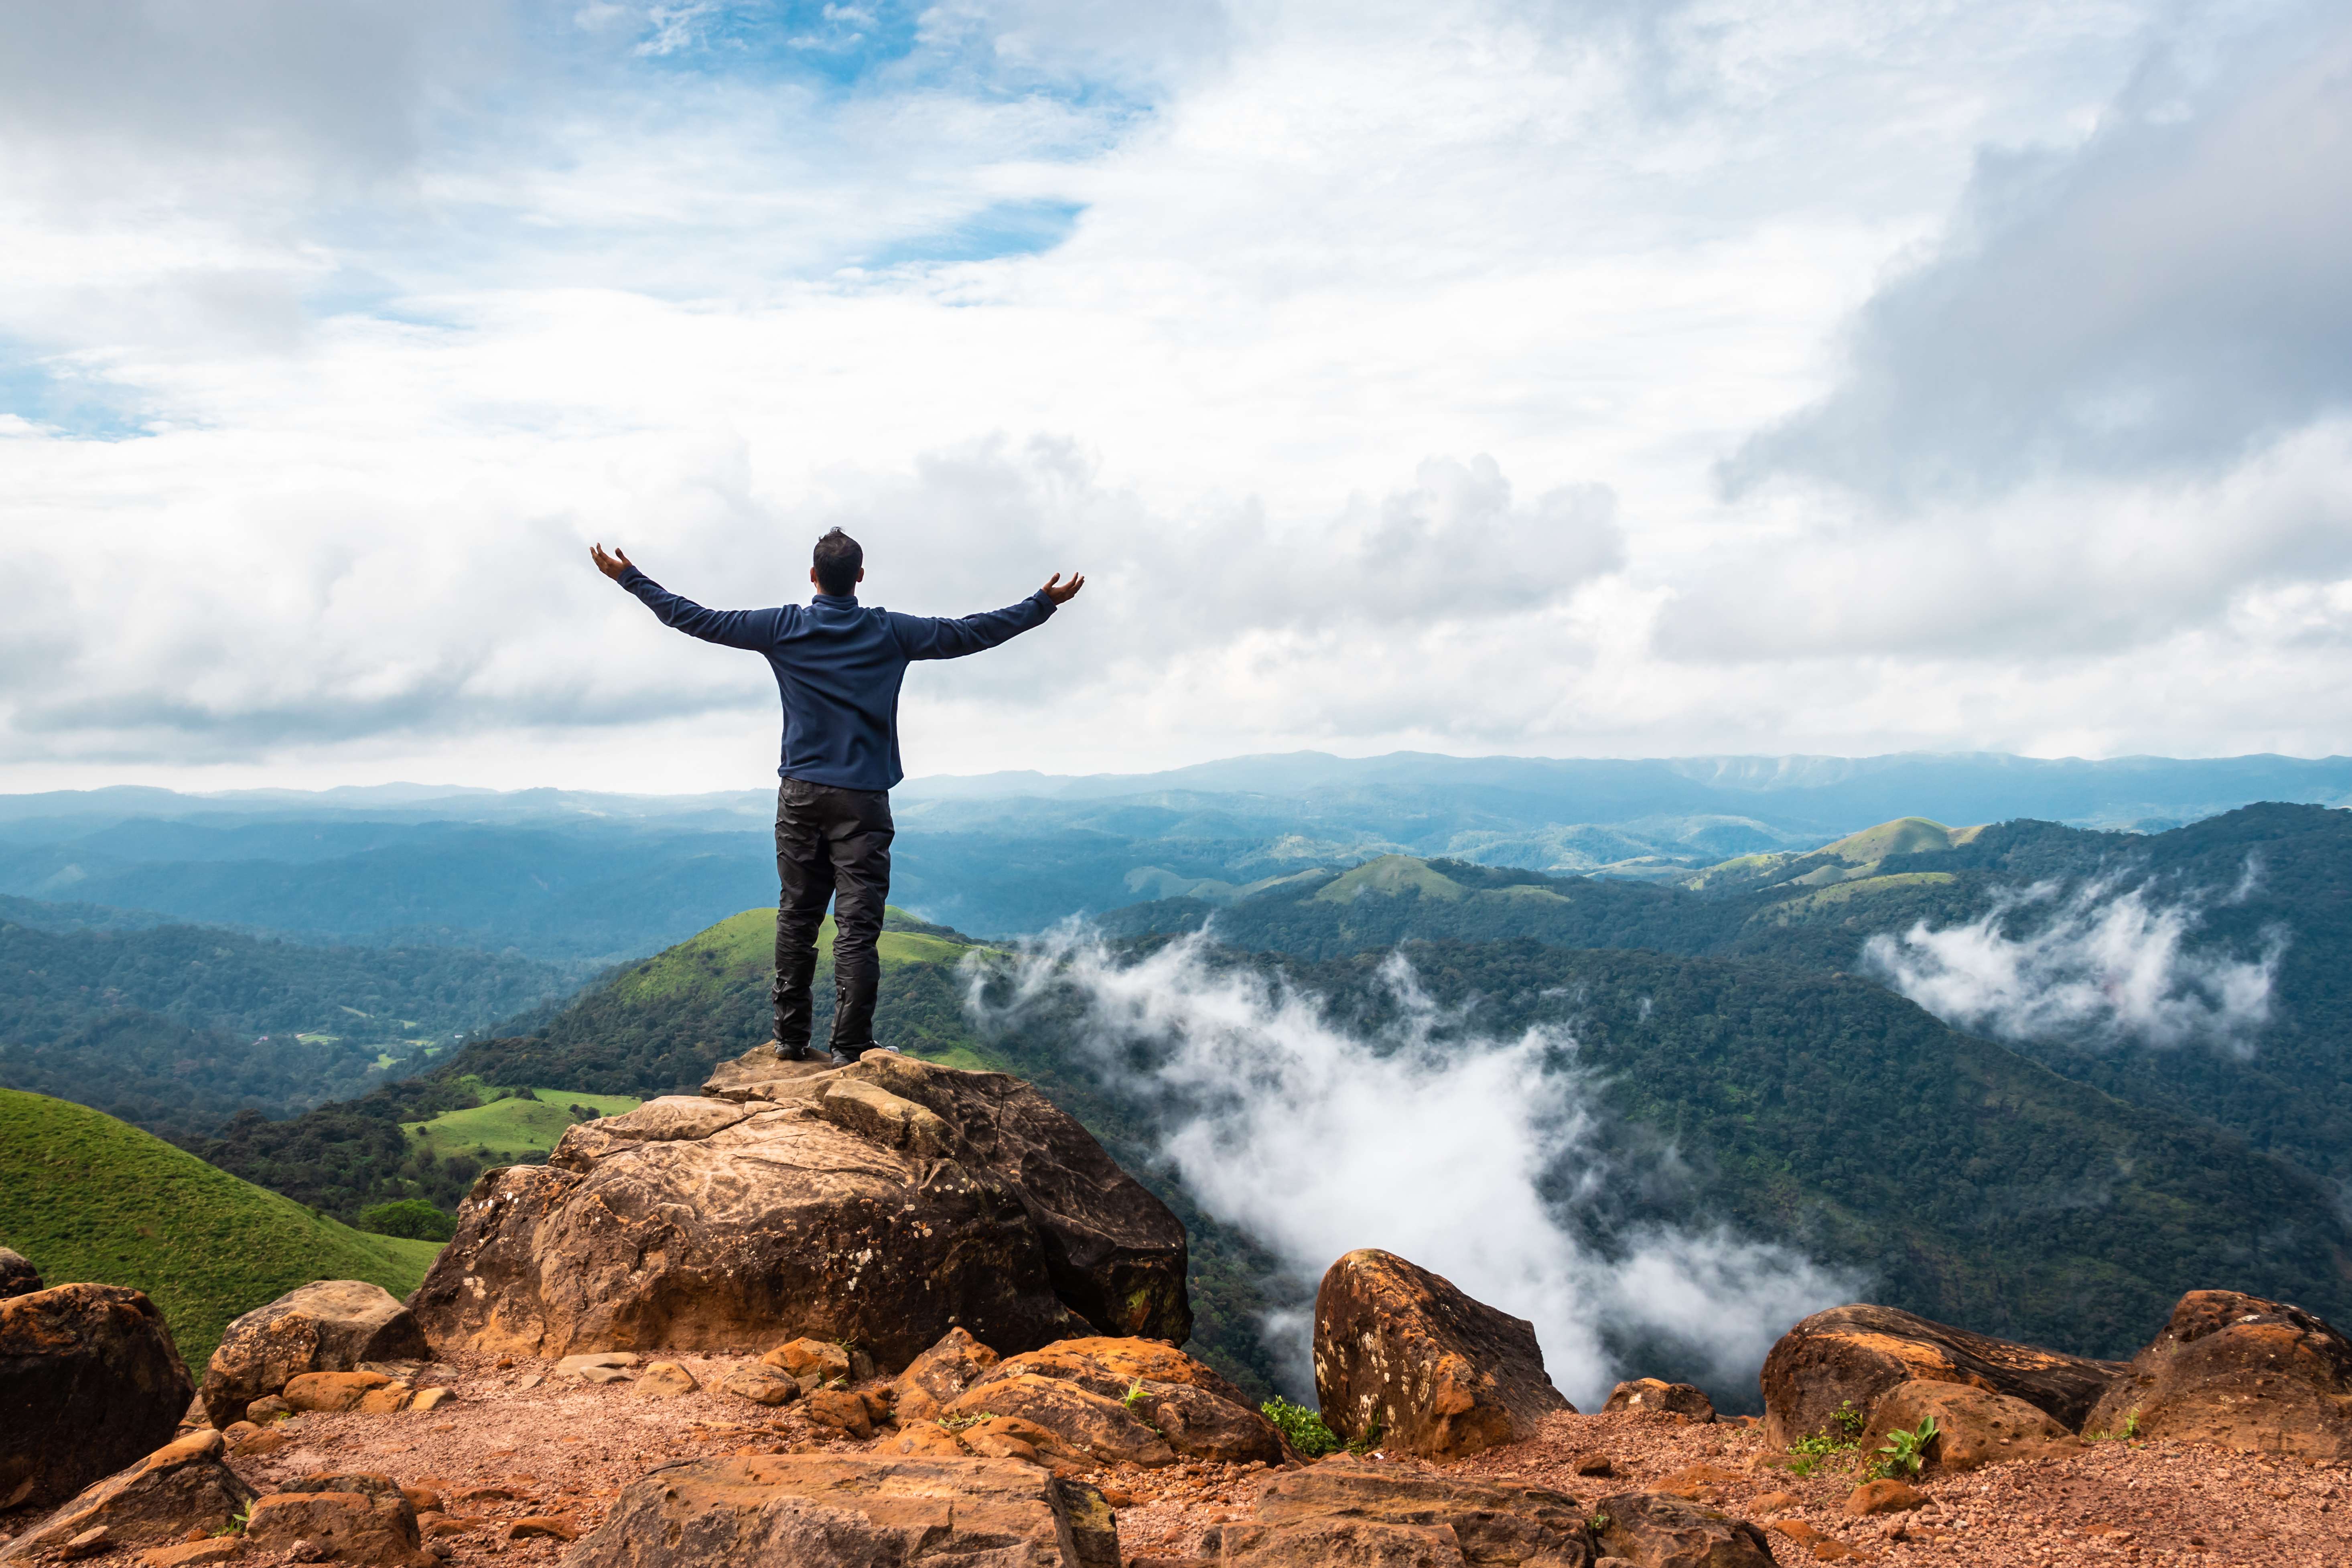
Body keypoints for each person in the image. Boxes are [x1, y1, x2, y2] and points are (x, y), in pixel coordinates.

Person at [591, 529, 1083, 1065]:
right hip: (862, 799)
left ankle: (790, 1040)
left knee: (797, 917)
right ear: (861, 577)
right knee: (857, 927)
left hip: (800, 794)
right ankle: (851, 1046)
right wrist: (1042, 605)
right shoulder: (890, 631)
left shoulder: (782, 626)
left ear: (812, 576)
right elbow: (969, 633)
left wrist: (629, 578)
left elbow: (695, 617)